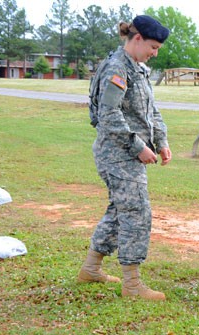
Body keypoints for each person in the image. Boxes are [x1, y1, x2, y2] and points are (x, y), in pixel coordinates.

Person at [77, 15, 171, 301]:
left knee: (120, 210)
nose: (154, 53)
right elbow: (108, 115)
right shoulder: (117, 68)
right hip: (116, 153)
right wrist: (138, 146)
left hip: (128, 153)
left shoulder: (138, 69)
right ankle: (132, 285)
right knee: (136, 212)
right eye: (153, 47)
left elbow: (150, 111)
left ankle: (91, 268)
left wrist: (161, 140)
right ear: (138, 37)